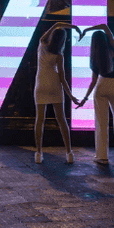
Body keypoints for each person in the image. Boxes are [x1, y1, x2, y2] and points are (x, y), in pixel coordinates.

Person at [76, 24, 114, 165]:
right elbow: (106, 27)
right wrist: (87, 30)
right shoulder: (113, 48)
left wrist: (85, 98)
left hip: (101, 85)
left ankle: (102, 156)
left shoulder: (96, 56)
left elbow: (93, 81)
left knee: (101, 122)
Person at [34, 21, 80, 164]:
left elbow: (56, 24)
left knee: (39, 120)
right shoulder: (59, 55)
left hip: (41, 84)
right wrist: (71, 96)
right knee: (61, 120)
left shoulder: (42, 45)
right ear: (62, 41)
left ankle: (38, 153)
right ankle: (69, 153)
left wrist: (73, 27)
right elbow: (62, 79)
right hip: (54, 85)